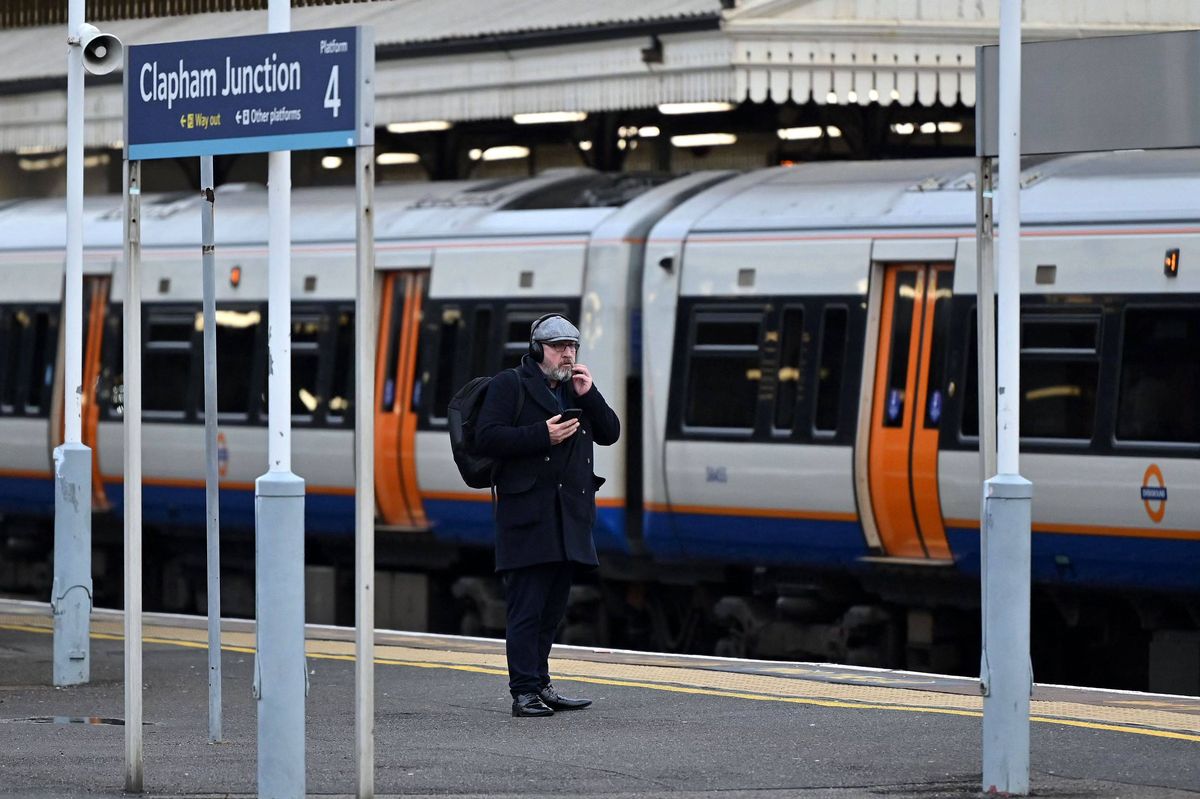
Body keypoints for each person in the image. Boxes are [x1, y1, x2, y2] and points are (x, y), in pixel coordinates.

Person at [475, 313, 620, 717]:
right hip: (528, 514)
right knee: (527, 607)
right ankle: (523, 691)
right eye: (559, 347)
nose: (568, 354)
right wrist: (542, 434)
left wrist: (589, 394)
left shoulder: (576, 389)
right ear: (539, 349)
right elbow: (486, 436)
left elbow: (610, 432)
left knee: (554, 608)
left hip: (570, 515)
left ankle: (541, 684)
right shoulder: (510, 385)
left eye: (572, 347)